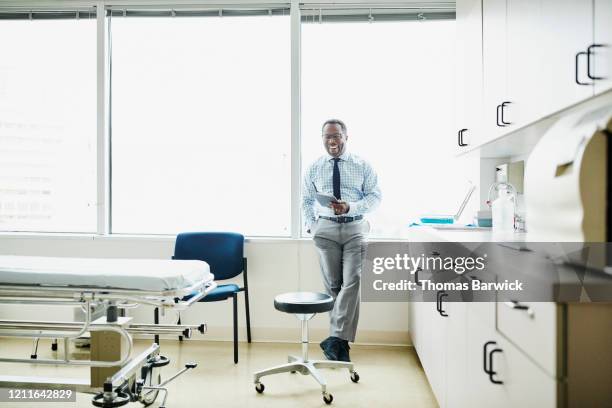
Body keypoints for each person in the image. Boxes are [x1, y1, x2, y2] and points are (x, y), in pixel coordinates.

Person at [302, 119, 381, 362]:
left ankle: (335, 338)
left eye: (336, 135)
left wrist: (350, 206)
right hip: (325, 230)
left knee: (353, 280)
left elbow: (375, 197)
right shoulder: (315, 167)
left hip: (354, 226)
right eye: (327, 136)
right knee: (333, 285)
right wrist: (312, 225)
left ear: (346, 137)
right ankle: (340, 344)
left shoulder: (362, 165)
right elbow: (306, 200)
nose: (332, 141)